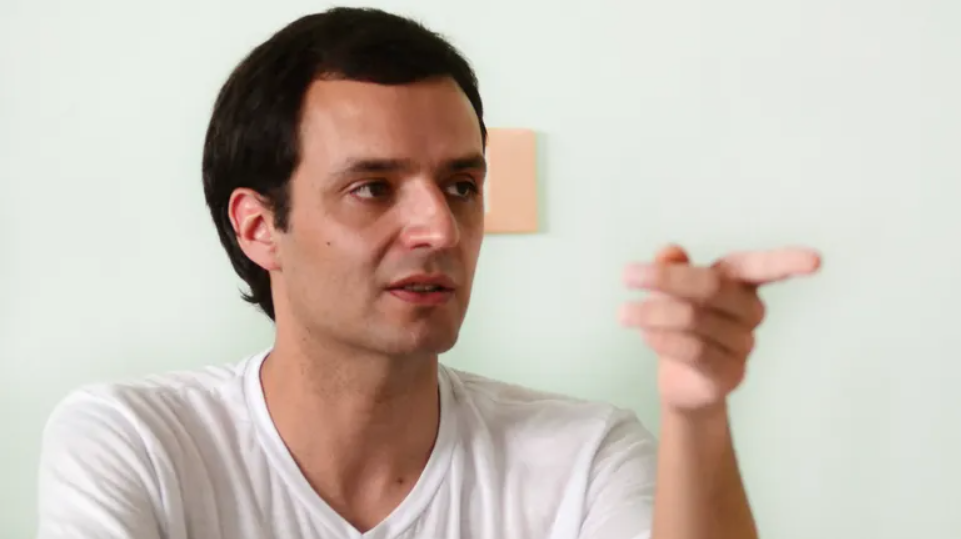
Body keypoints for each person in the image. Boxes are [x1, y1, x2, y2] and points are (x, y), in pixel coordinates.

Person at [34, 7, 820, 539]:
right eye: (372, 187)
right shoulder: (136, 442)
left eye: (461, 185)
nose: (440, 228)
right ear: (258, 226)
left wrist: (697, 412)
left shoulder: (583, 456)